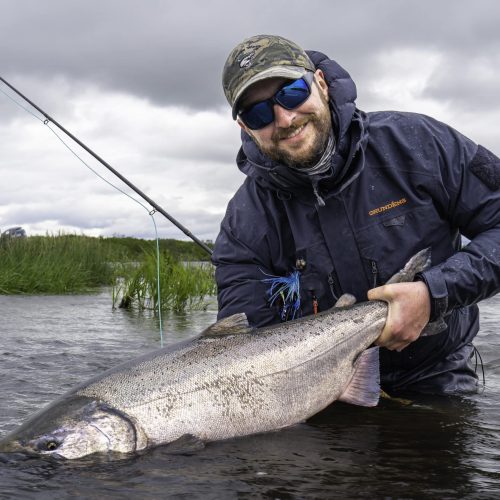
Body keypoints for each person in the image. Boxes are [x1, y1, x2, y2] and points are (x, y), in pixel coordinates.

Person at [212, 34, 500, 395]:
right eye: (257, 113)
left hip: (436, 377)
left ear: (320, 83)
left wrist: (433, 293)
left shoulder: (419, 144)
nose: (284, 118)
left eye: (292, 93)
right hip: (317, 393)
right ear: (244, 128)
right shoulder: (243, 221)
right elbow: (246, 340)